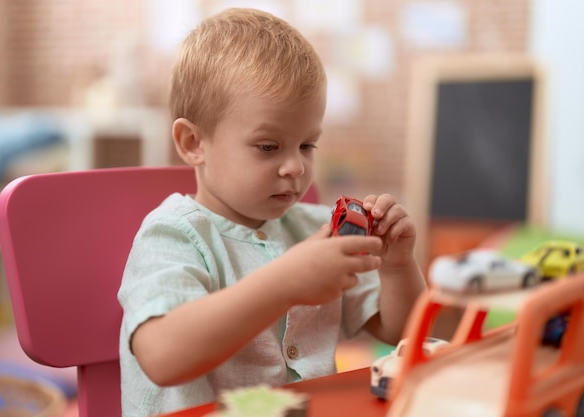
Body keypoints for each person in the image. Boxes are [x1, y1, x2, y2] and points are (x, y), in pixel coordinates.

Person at [118, 8, 426, 416]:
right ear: (193, 142)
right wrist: (284, 282)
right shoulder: (173, 236)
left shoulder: (315, 230)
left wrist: (397, 267)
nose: (296, 167)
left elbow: (400, 332)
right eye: (268, 147)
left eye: (307, 145)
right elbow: (161, 356)